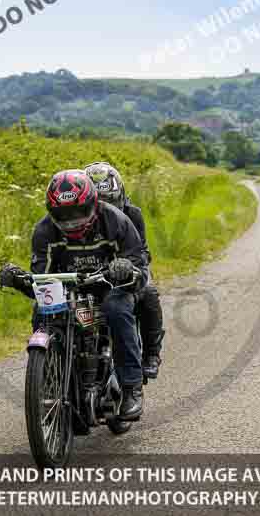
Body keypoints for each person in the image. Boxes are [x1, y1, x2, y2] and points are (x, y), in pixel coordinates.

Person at [0, 169, 148, 421]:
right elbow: (40, 279)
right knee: (42, 312)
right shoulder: (44, 231)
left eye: (78, 213)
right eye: (63, 216)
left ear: (92, 203)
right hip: (67, 288)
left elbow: (139, 264)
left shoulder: (117, 221)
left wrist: (125, 268)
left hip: (111, 287)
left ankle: (132, 387)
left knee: (117, 310)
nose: (72, 222)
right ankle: (49, 380)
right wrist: (18, 278)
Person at [84, 162, 165, 380]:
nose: (104, 207)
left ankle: (151, 354)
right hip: (89, 273)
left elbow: (142, 253)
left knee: (149, 294)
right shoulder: (79, 221)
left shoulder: (132, 215)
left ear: (120, 195)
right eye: (97, 202)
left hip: (126, 270)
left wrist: (125, 266)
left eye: (109, 200)